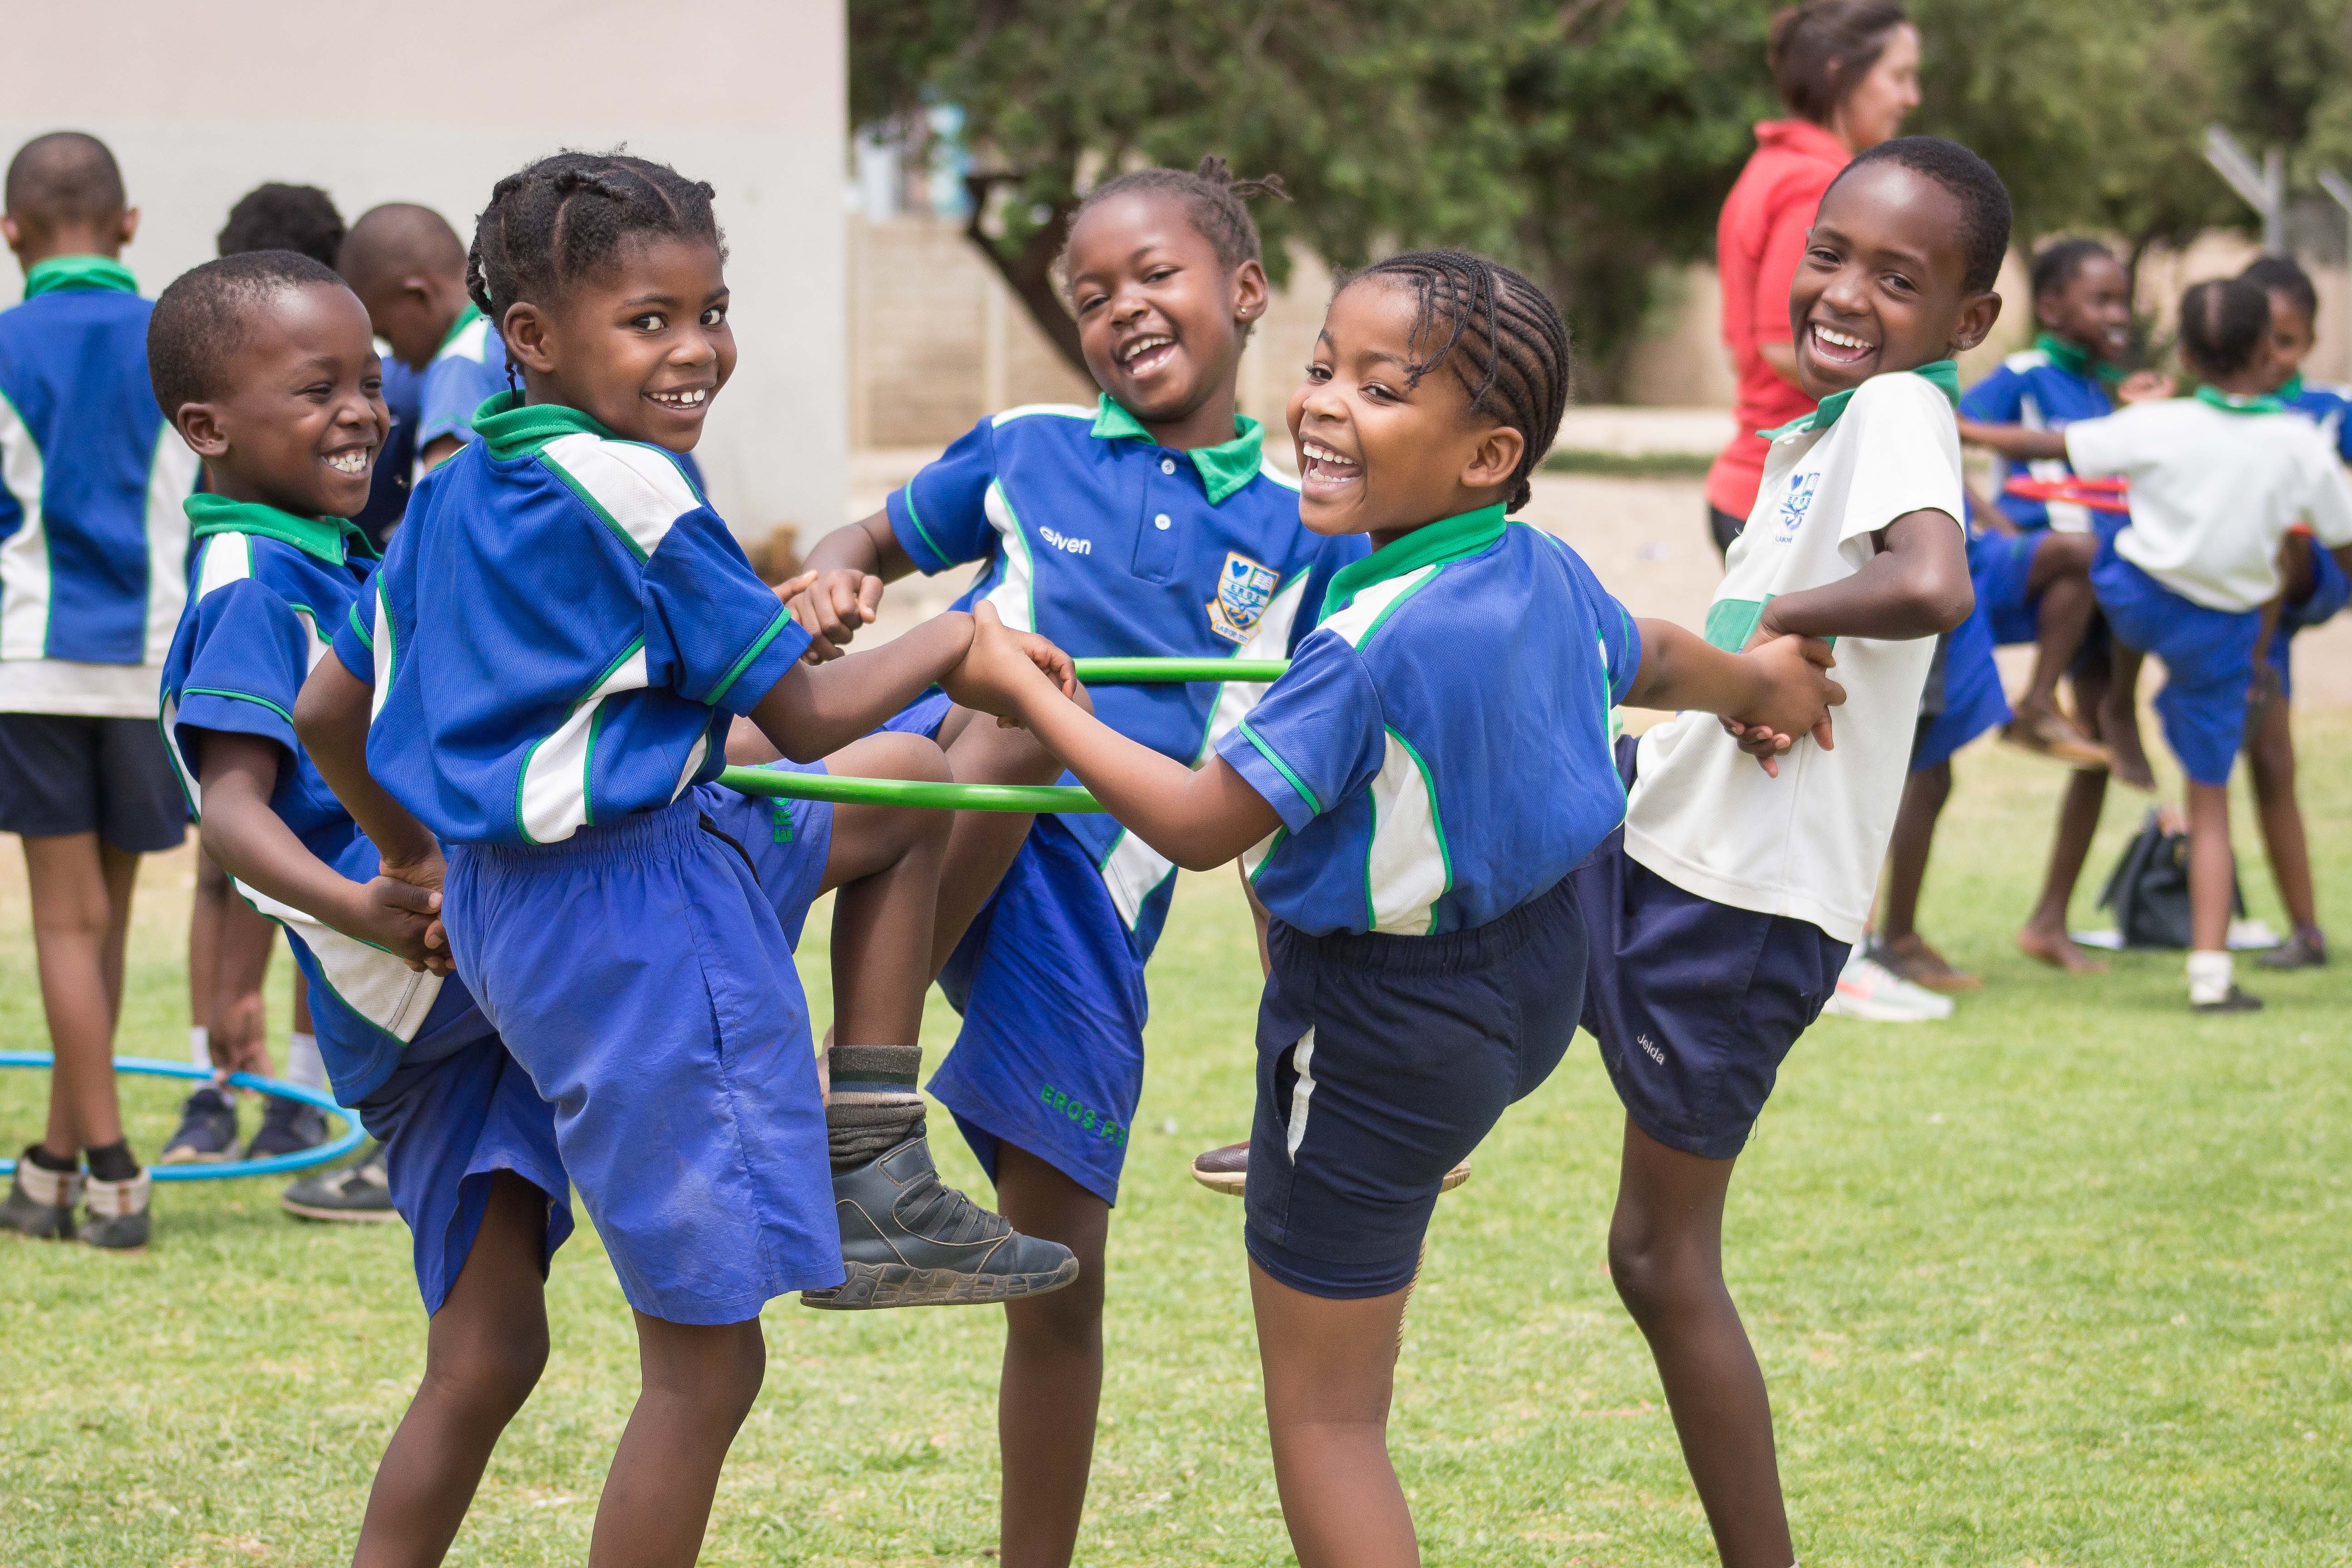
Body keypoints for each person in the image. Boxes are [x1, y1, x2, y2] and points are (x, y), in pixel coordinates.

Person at [947, 248, 1842, 1568]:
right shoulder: (1541, 569)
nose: (1322, 403)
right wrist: (1761, 686)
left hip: (1377, 1030)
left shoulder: (1364, 648)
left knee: (1327, 1420)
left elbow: (1197, 823)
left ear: (1486, 456)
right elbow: (1648, 652)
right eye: (1323, 368)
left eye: (1379, 388)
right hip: (1527, 985)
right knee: (1354, 1300)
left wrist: (1025, 692)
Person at [295, 150, 1077, 1566]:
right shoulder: (639, 488)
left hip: (534, 901)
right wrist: (961, 639)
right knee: (706, 1372)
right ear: (532, 336)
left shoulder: (453, 490)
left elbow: (328, 712)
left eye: (711, 311)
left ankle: (874, 1153)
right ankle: (868, 1169)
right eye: (648, 319)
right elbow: (809, 714)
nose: (696, 348)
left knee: (911, 783)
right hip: (643, 917)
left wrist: (415, 858)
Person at [781, 157, 1363, 1567]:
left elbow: (1274, 795)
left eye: (1154, 275)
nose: (1122, 310)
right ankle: (851, 1100)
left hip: (1098, 891)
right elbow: (867, 538)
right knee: (1010, 708)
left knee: (1060, 1284)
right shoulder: (1025, 444)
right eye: (1092, 294)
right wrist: (838, 571)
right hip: (937, 798)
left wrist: (1312, 1052)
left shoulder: (1303, 526)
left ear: (1245, 289)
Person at [1575, 137, 1999, 1567]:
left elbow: (1934, 582)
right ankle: (1370, 1112)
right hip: (1662, 832)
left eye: (1899, 278)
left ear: (1967, 321)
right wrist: (1754, 660)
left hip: (1741, 906)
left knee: (1658, 1257)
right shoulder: (1821, 436)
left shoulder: (1898, 409)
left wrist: (1784, 622)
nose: (1848, 292)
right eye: (1831, 253)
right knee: (1452, 804)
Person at [2029, 278, 2352, 1012]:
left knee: (2122, 545)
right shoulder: (2295, 441)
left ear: (2183, 352)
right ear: (2263, 347)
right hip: (2226, 633)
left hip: (2146, 605)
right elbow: (2338, 543)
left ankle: (2117, 699)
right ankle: (2210, 976)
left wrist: (1953, 420)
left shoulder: (2163, 423)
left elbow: (2052, 446)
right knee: (2210, 800)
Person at [0, 132, 199, 1250]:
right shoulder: (182, 339)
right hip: (157, 659)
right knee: (108, 919)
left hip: (32, 662)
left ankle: (112, 1169)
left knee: (65, 924)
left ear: (10, 234)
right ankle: (55, 1162)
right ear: (128, 224)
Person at [163, 181, 352, 1171]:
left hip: (396, 917)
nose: (362, 411)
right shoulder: (249, 584)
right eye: (320, 390)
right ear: (210, 428)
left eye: (371, 383)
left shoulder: (322, 550)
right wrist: (358, 910)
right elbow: (234, 815)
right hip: (389, 937)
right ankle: (243, 1085)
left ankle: (253, 1089)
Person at [1705, 0, 1918, 556]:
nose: (1911, 97)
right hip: (1788, 492)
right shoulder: (1815, 182)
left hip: (1762, 483)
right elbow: (1782, 345)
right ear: (1839, 72)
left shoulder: (1774, 167)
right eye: (1899, 76)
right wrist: (1909, 394)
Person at [2237, 254, 2350, 970]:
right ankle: (2305, 931)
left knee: (2282, 525)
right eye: (2259, 339)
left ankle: (2252, 667)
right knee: (2270, 759)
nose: (2271, 355)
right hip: (2246, 606)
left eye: (2286, 341)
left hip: (2315, 576)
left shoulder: (2329, 411)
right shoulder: (2215, 412)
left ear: (2310, 342)